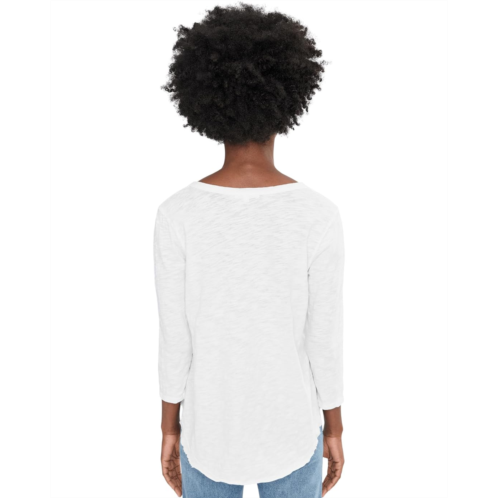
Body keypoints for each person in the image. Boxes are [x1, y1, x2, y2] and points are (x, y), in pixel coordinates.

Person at [155, 5, 345, 497]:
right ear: (287, 99)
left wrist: (169, 428)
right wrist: (335, 427)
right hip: (293, 429)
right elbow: (323, 338)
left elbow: (175, 339)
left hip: (207, 430)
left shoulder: (177, 214)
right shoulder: (318, 214)